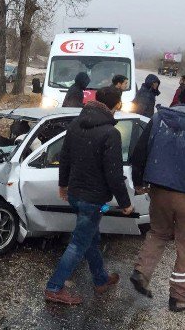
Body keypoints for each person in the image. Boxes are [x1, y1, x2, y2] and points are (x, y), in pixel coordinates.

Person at [44, 86, 133, 304]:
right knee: (78, 243)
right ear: (117, 105)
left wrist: (63, 185)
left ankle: (101, 279)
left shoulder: (76, 124)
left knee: (90, 238)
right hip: (93, 200)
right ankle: (54, 288)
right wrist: (125, 202)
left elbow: (64, 157)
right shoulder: (110, 133)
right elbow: (114, 173)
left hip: (76, 194)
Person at [129, 87, 185, 312]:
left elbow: (140, 152)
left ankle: (142, 272)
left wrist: (139, 182)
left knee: (158, 233)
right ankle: (179, 298)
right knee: (184, 242)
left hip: (159, 189)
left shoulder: (159, 117)